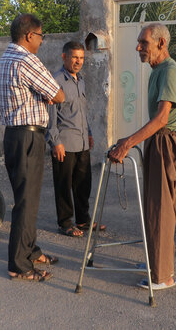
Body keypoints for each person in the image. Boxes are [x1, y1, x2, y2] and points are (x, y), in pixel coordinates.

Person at [109, 23, 176, 290]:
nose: (138, 48)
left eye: (144, 43)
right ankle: (157, 263)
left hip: (166, 142)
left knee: (162, 211)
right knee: (154, 209)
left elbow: (162, 118)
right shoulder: (157, 71)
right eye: (139, 42)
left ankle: (163, 275)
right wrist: (127, 141)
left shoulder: (170, 72)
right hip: (158, 142)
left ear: (161, 44)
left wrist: (128, 143)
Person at [0, 14, 65, 282]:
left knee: (28, 199)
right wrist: (45, 94)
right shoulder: (26, 59)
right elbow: (58, 94)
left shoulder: (5, 59)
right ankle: (19, 265)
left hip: (13, 136)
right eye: (40, 36)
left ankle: (31, 250)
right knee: (26, 203)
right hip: (28, 137)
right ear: (28, 36)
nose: (41, 41)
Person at [47, 41, 103, 238]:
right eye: (74, 57)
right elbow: (50, 114)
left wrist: (88, 132)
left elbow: (82, 112)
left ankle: (83, 219)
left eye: (81, 58)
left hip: (81, 141)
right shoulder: (55, 81)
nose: (78, 61)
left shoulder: (81, 80)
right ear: (64, 57)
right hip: (64, 142)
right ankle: (65, 222)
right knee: (64, 184)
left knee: (83, 183)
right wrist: (55, 141)